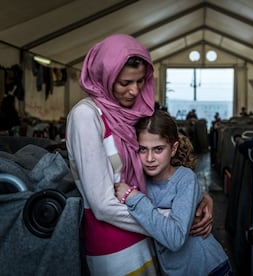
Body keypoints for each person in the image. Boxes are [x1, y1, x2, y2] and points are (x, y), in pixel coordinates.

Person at [66, 34, 214, 276]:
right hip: (114, 244)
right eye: (125, 82)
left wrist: (198, 197)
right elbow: (102, 205)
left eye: (140, 81)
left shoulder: (128, 115)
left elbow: (155, 174)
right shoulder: (86, 117)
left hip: (149, 236)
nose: (134, 91)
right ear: (105, 76)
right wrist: (177, 222)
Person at [115, 110, 232, 275]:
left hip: (210, 269)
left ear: (173, 148)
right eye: (142, 149)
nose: (149, 158)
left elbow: (175, 238)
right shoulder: (140, 181)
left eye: (158, 149)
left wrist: (134, 198)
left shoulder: (185, 179)